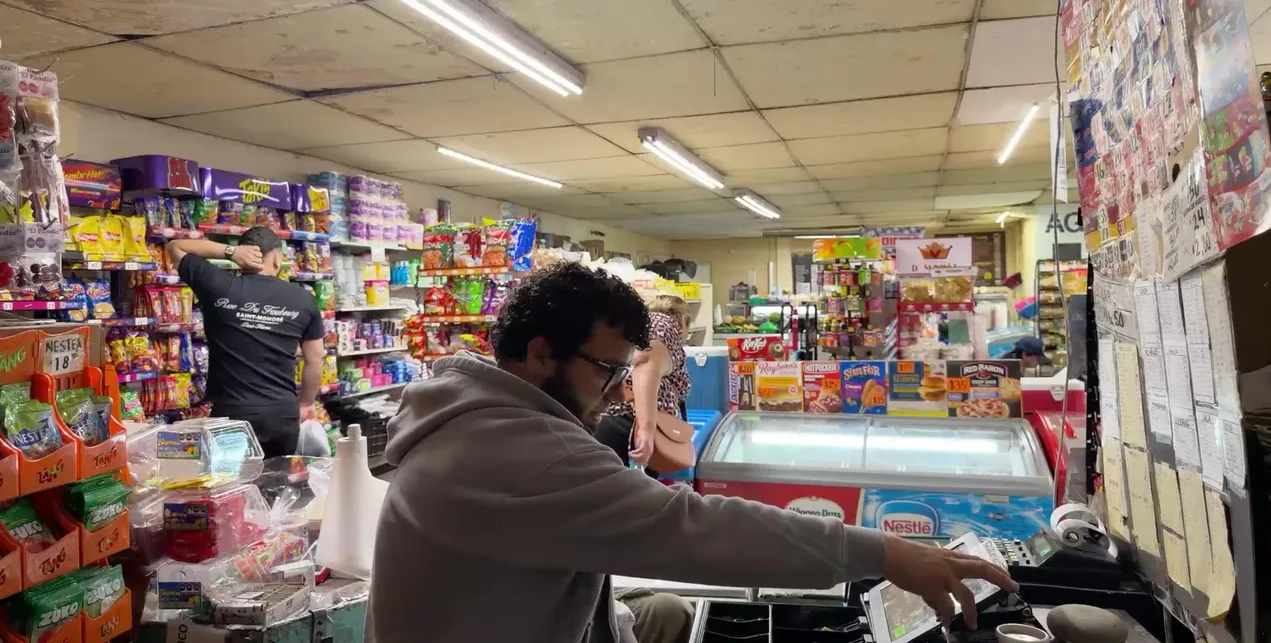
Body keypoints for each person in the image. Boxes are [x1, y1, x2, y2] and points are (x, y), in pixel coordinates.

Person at [370, 262, 1015, 643]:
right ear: (541, 353)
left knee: (664, 612)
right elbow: (693, 527)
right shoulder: (513, 449)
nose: (618, 392)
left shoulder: (481, 419)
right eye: (607, 370)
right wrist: (888, 553)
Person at [167, 227, 325, 457]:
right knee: (279, 477)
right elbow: (315, 359)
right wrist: (306, 403)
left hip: (232, 414)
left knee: (231, 479)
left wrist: (230, 252)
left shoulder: (218, 285)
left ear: (243, 256)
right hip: (282, 414)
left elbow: (175, 246)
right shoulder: (303, 299)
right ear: (277, 259)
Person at [594, 294, 690, 469]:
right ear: (682, 319)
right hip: (627, 427)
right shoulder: (663, 323)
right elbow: (646, 363)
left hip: (621, 425)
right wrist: (646, 431)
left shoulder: (643, 326)